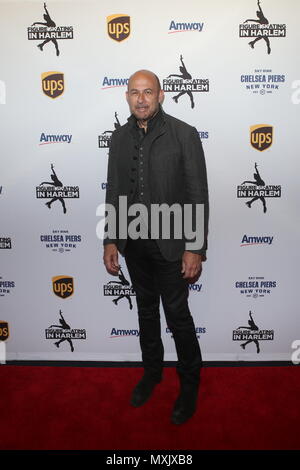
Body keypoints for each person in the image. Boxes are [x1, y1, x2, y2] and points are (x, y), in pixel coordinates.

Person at [103, 69, 209, 425]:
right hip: (134, 244)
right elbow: (114, 190)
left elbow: (197, 193)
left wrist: (194, 247)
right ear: (127, 96)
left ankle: (190, 385)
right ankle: (152, 374)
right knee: (146, 313)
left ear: (161, 95)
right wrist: (111, 239)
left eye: (148, 92)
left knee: (178, 317)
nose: (141, 99)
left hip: (172, 245)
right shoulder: (118, 138)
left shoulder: (184, 134)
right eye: (134, 92)